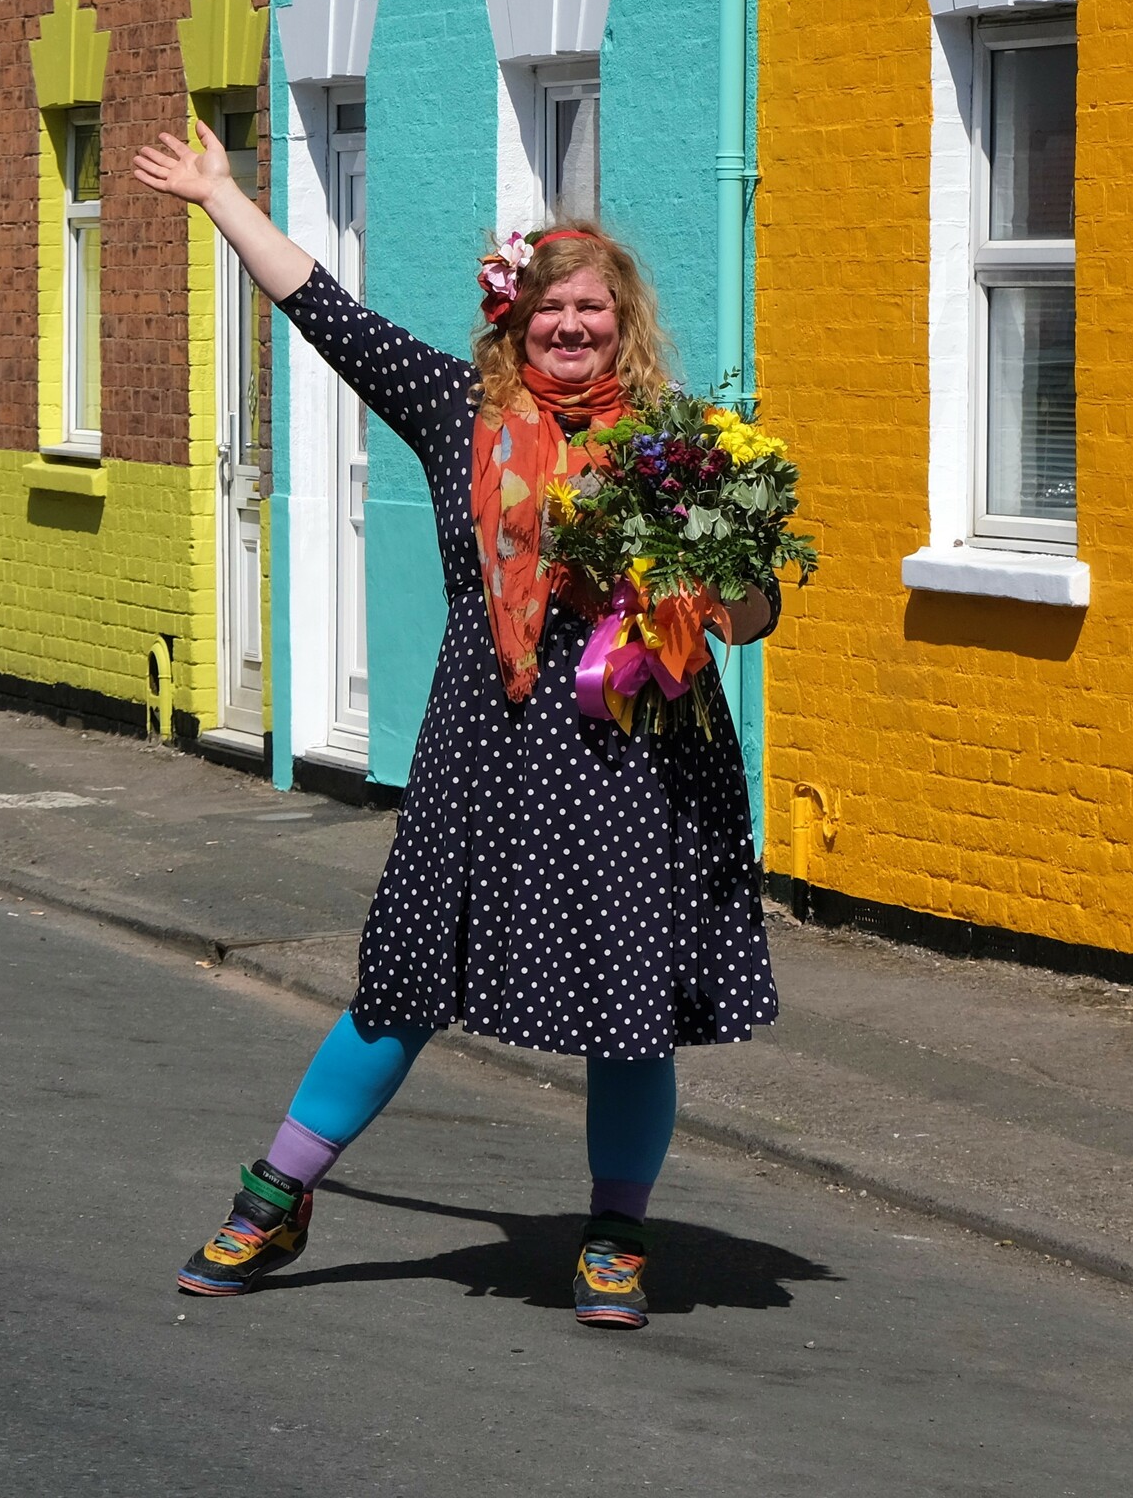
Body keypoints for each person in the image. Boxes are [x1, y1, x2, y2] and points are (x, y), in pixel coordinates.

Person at [134, 124, 781, 1331]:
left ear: (621, 321)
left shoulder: (679, 442)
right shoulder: (455, 414)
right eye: (550, 309)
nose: (570, 326)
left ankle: (614, 1237)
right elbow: (327, 313)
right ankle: (277, 1193)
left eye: (591, 308)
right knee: (404, 981)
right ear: (515, 320)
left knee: (629, 1002)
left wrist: (715, 569)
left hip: (647, 754)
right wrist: (223, 198)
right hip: (491, 747)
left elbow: (752, 614)